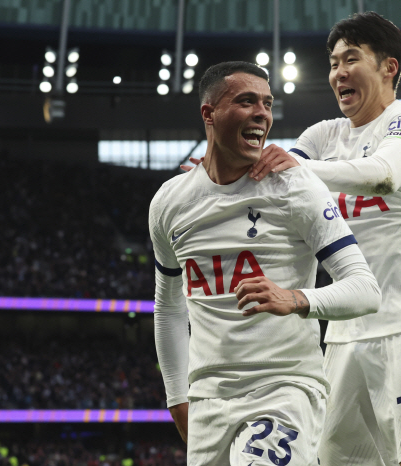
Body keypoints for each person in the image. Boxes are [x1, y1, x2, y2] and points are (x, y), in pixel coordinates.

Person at [242, 12, 401, 466]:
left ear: (388, 67)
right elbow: (272, 182)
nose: (338, 73)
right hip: (343, 333)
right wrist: (217, 176)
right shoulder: (323, 135)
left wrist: (298, 169)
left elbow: (383, 175)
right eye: (333, 63)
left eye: (351, 59)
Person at [150, 61, 381, 466]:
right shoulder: (170, 202)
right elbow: (169, 307)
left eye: (267, 104)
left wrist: (295, 298)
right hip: (207, 400)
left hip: (284, 389)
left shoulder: (295, 187)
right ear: (209, 113)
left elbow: (366, 289)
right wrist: (177, 397)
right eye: (246, 101)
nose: (262, 114)